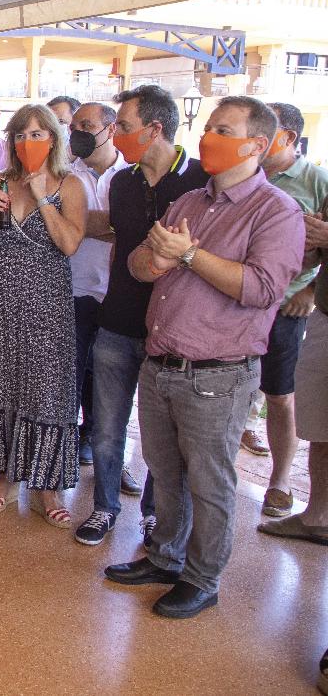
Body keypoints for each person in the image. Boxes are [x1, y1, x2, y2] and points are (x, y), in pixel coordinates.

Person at [105, 96, 304, 620]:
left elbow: (262, 289)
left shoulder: (276, 211)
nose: (207, 137)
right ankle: (166, 556)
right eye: (208, 127)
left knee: (210, 482)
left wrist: (188, 255)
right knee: (164, 473)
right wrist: (157, 256)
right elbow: (138, 264)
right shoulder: (191, 200)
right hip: (161, 361)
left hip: (217, 373)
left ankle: (202, 578)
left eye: (223, 129)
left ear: (257, 145)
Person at [74, 86, 208, 548]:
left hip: (169, 331)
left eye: (124, 127)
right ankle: (105, 508)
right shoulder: (124, 182)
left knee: (160, 440)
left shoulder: (199, 182)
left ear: (155, 129)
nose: (118, 135)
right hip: (117, 318)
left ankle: (153, 515)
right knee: (108, 427)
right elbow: (116, 235)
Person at [0, 103, 86, 528]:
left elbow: (69, 245)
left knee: (45, 389)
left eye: (37, 134)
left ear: (54, 139)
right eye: (20, 135)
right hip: (1, 301)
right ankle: (5, 479)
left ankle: (47, 486)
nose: (28, 143)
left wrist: (44, 197)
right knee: (3, 384)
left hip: (48, 307)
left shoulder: (70, 185)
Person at [237, 102, 326, 519]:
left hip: (285, 306)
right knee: (235, 387)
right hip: (238, 300)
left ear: (287, 138)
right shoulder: (244, 174)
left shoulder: (316, 179)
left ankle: (280, 479)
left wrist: (310, 290)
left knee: (280, 394)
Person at [258, 183, 328, 548]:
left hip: (305, 312)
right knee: (320, 425)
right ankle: (317, 517)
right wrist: (308, 244)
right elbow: (312, 257)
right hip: (324, 319)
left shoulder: (314, 177)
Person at [65, 102, 128, 469]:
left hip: (119, 291)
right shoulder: (65, 174)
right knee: (73, 370)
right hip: (74, 287)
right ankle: (67, 441)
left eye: (86, 125)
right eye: (74, 126)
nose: (78, 132)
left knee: (109, 379)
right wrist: (118, 224)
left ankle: (106, 451)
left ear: (110, 128)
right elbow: (63, 222)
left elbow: (141, 226)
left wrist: (83, 222)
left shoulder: (133, 173)